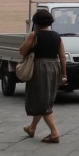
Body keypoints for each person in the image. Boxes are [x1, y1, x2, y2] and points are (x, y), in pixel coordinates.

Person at [19, 9, 68, 143]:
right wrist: (64, 74)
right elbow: (62, 56)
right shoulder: (57, 36)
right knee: (44, 99)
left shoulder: (34, 35)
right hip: (54, 67)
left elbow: (22, 51)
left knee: (42, 102)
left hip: (40, 68)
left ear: (36, 22)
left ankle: (54, 133)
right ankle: (32, 128)